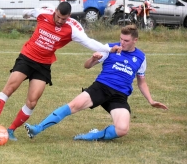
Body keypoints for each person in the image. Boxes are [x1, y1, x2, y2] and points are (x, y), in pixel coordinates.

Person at [0, 2, 122, 141]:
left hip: (44, 65)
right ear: (55, 11)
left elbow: (88, 42)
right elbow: (30, 12)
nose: (60, 21)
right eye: (58, 17)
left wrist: (109, 49)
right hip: (27, 58)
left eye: (64, 19)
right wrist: (26, 13)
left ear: (69, 16)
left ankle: (11, 130)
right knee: (10, 88)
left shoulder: (72, 28)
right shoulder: (43, 13)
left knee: (32, 102)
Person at [24, 24, 168, 141]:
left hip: (120, 95)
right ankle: (37, 128)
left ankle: (93, 136)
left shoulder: (141, 57)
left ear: (135, 40)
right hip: (101, 87)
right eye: (121, 39)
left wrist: (151, 100)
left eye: (126, 41)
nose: (122, 43)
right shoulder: (109, 48)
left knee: (122, 129)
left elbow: (141, 82)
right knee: (73, 105)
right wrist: (93, 59)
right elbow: (87, 66)